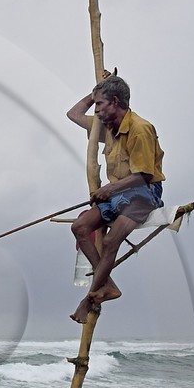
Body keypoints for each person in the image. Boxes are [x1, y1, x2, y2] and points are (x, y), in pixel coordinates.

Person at [65, 75, 165, 323]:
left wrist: (109, 189)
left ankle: (88, 300)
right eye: (96, 105)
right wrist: (94, 94)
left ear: (116, 102)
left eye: (100, 104)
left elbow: (144, 175)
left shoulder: (140, 129)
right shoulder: (106, 127)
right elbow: (73, 114)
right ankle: (107, 283)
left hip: (144, 192)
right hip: (118, 192)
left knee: (110, 241)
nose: (97, 110)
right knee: (80, 227)